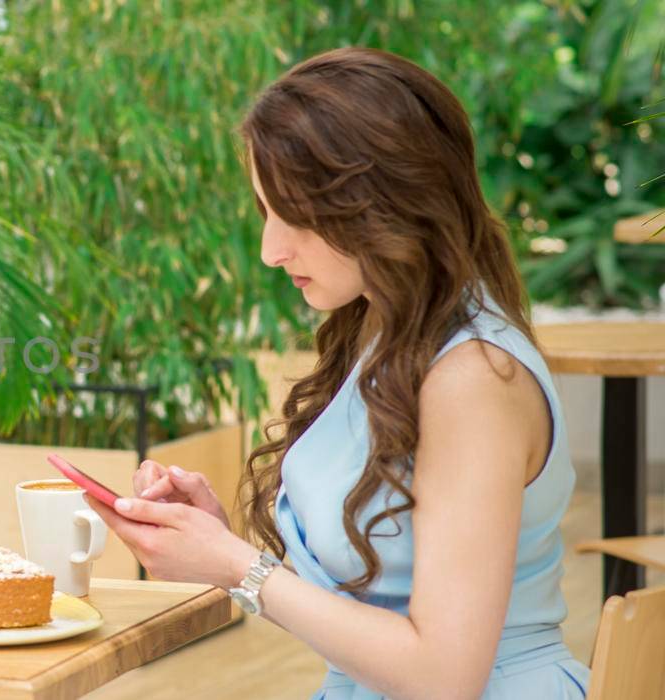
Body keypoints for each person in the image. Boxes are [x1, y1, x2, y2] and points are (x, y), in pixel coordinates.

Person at [85, 48, 590, 699]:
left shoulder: (472, 379)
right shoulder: (386, 332)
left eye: (294, 217)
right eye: (265, 213)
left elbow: (443, 676)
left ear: (379, 204)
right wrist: (215, 542)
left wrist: (242, 569)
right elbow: (383, 589)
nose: (271, 250)